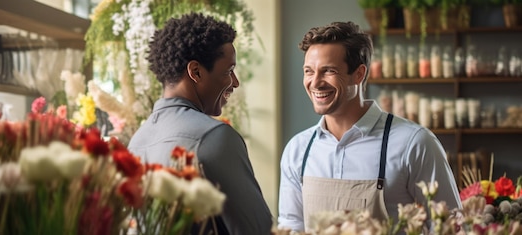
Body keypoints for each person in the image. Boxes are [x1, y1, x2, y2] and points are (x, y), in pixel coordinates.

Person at [277, 21, 462, 232]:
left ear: (359, 74)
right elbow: (291, 227)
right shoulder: (298, 150)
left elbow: (449, 228)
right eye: (309, 71)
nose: (315, 82)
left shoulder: (414, 143)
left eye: (328, 71)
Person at [127, 13, 273, 234]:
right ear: (196, 72)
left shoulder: (136, 142)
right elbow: (257, 229)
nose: (235, 82)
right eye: (229, 71)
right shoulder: (214, 137)